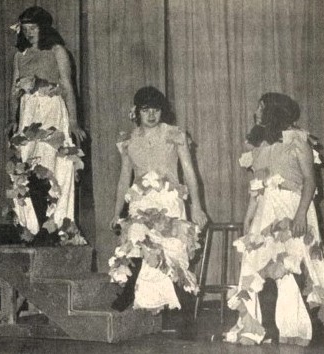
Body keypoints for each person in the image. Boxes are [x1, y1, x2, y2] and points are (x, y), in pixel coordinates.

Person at [224, 93, 324, 346]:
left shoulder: (298, 141)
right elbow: (257, 186)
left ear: (274, 112)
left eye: (261, 107)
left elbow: (311, 182)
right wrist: (249, 218)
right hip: (266, 210)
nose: (256, 111)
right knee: (257, 264)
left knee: (291, 264)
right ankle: (261, 326)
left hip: (293, 209)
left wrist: (300, 214)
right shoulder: (262, 146)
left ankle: (298, 326)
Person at [108, 86, 207, 314]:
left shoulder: (174, 135)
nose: (151, 115)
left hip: (169, 201)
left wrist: (198, 208)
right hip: (140, 202)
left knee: (171, 252)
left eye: (156, 110)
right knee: (137, 244)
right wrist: (116, 212)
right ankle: (131, 290)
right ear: (136, 112)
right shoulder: (128, 141)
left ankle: (182, 309)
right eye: (145, 110)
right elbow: (124, 179)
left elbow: (190, 173)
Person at [5, 6, 86, 245]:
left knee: (51, 165)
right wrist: (12, 118)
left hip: (51, 111)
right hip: (28, 114)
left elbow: (68, 87)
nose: (29, 33)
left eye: (33, 28)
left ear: (44, 28)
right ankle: (34, 225)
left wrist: (73, 121)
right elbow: (14, 91)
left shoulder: (57, 51)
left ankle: (53, 226)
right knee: (26, 167)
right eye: (26, 29)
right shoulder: (20, 55)